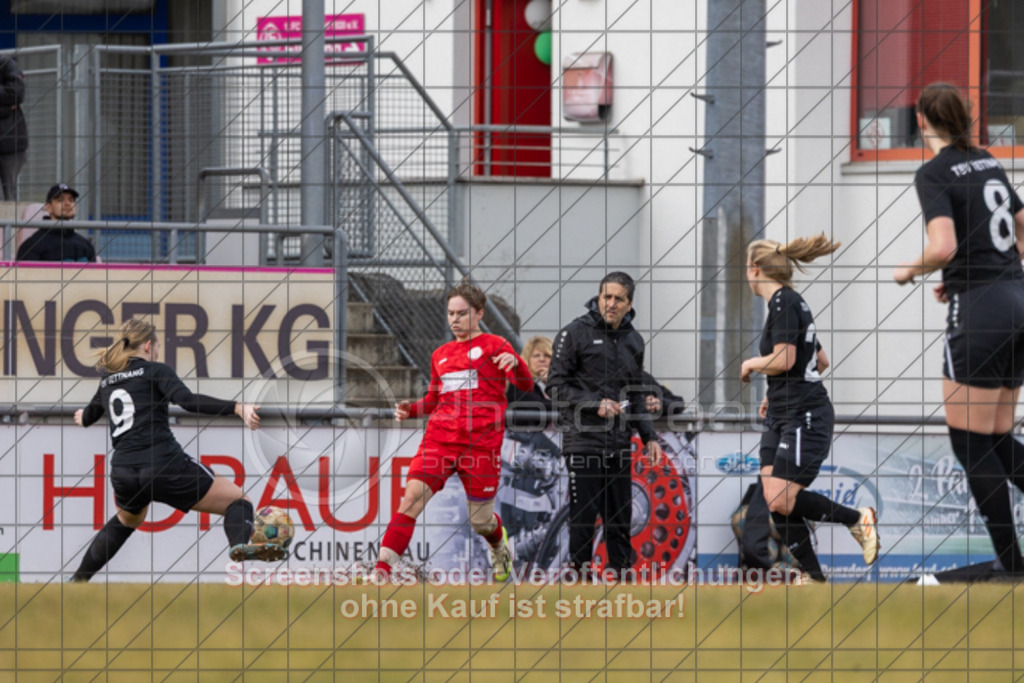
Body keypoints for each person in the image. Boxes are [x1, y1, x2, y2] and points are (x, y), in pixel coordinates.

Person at [894, 82, 1024, 578]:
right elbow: (1020, 229)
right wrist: (983, 276)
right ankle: (1014, 563)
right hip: (1015, 298)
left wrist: (910, 270)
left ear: (923, 121)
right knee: (995, 438)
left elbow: (943, 245)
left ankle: (1012, 567)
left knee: (970, 444)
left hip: (982, 312)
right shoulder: (988, 161)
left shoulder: (934, 171)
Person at [70, 318, 270, 583]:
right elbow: (187, 401)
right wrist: (237, 407)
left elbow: (87, 418)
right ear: (148, 346)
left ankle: (78, 581)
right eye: (157, 347)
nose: (157, 353)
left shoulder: (107, 381)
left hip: (123, 472)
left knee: (128, 519)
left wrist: (82, 415)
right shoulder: (155, 371)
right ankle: (238, 547)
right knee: (238, 501)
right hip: (163, 464)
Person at [741, 234, 880, 582]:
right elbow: (819, 359)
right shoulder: (786, 303)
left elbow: (786, 358)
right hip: (782, 412)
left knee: (782, 498)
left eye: (746, 267)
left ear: (755, 269)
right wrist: (775, 392)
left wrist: (751, 364)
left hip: (805, 414)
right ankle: (815, 580)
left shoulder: (784, 302)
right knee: (775, 497)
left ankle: (857, 518)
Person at [376, 281, 533, 581]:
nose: (454, 320)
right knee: (410, 499)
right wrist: (411, 409)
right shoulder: (441, 355)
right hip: (440, 441)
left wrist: (517, 364)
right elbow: (434, 400)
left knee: (480, 521)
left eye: (461, 313)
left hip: (481, 446)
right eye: (450, 313)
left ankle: (498, 545)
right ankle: (381, 571)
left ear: (478, 314)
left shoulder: (496, 346)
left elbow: (525, 386)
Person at [547, 271, 665, 580]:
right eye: (606, 297)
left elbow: (636, 395)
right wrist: (594, 404)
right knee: (583, 519)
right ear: (598, 297)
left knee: (620, 519)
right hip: (582, 440)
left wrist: (650, 436)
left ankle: (623, 586)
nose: (610, 304)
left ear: (629, 303)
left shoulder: (634, 340)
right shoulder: (573, 333)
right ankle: (580, 584)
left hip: (619, 443)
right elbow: (555, 387)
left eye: (618, 299)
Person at [16, 183, 97, 262]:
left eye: (71, 200)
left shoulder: (85, 245)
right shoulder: (32, 245)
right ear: (48, 207)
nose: (68, 204)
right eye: (60, 200)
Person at [0, 54, 28, 201]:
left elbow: (17, 93)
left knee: (8, 196)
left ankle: (7, 224)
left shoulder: (5, 63)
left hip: (10, 145)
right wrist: (6, 108)